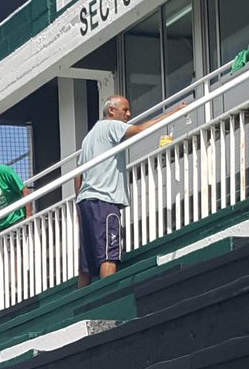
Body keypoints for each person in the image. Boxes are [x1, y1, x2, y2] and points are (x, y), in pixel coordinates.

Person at [74, 95, 184, 287]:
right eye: (124, 110)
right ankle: (109, 296)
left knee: (86, 263)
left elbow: (77, 175)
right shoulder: (111, 125)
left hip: (86, 201)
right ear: (111, 110)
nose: (128, 114)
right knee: (109, 254)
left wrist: (78, 204)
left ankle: (81, 302)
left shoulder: (89, 137)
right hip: (104, 200)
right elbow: (140, 129)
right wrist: (174, 112)